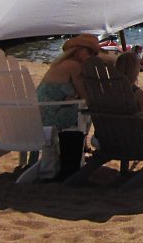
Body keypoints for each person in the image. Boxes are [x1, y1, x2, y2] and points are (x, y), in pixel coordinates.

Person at [35, 33, 102, 179]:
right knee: (87, 112)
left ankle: (81, 147)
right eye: (89, 52)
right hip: (52, 115)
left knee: (83, 110)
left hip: (42, 112)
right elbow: (85, 95)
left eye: (94, 54)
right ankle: (85, 145)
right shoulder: (74, 65)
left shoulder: (61, 64)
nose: (92, 56)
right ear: (79, 50)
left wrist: (75, 97)